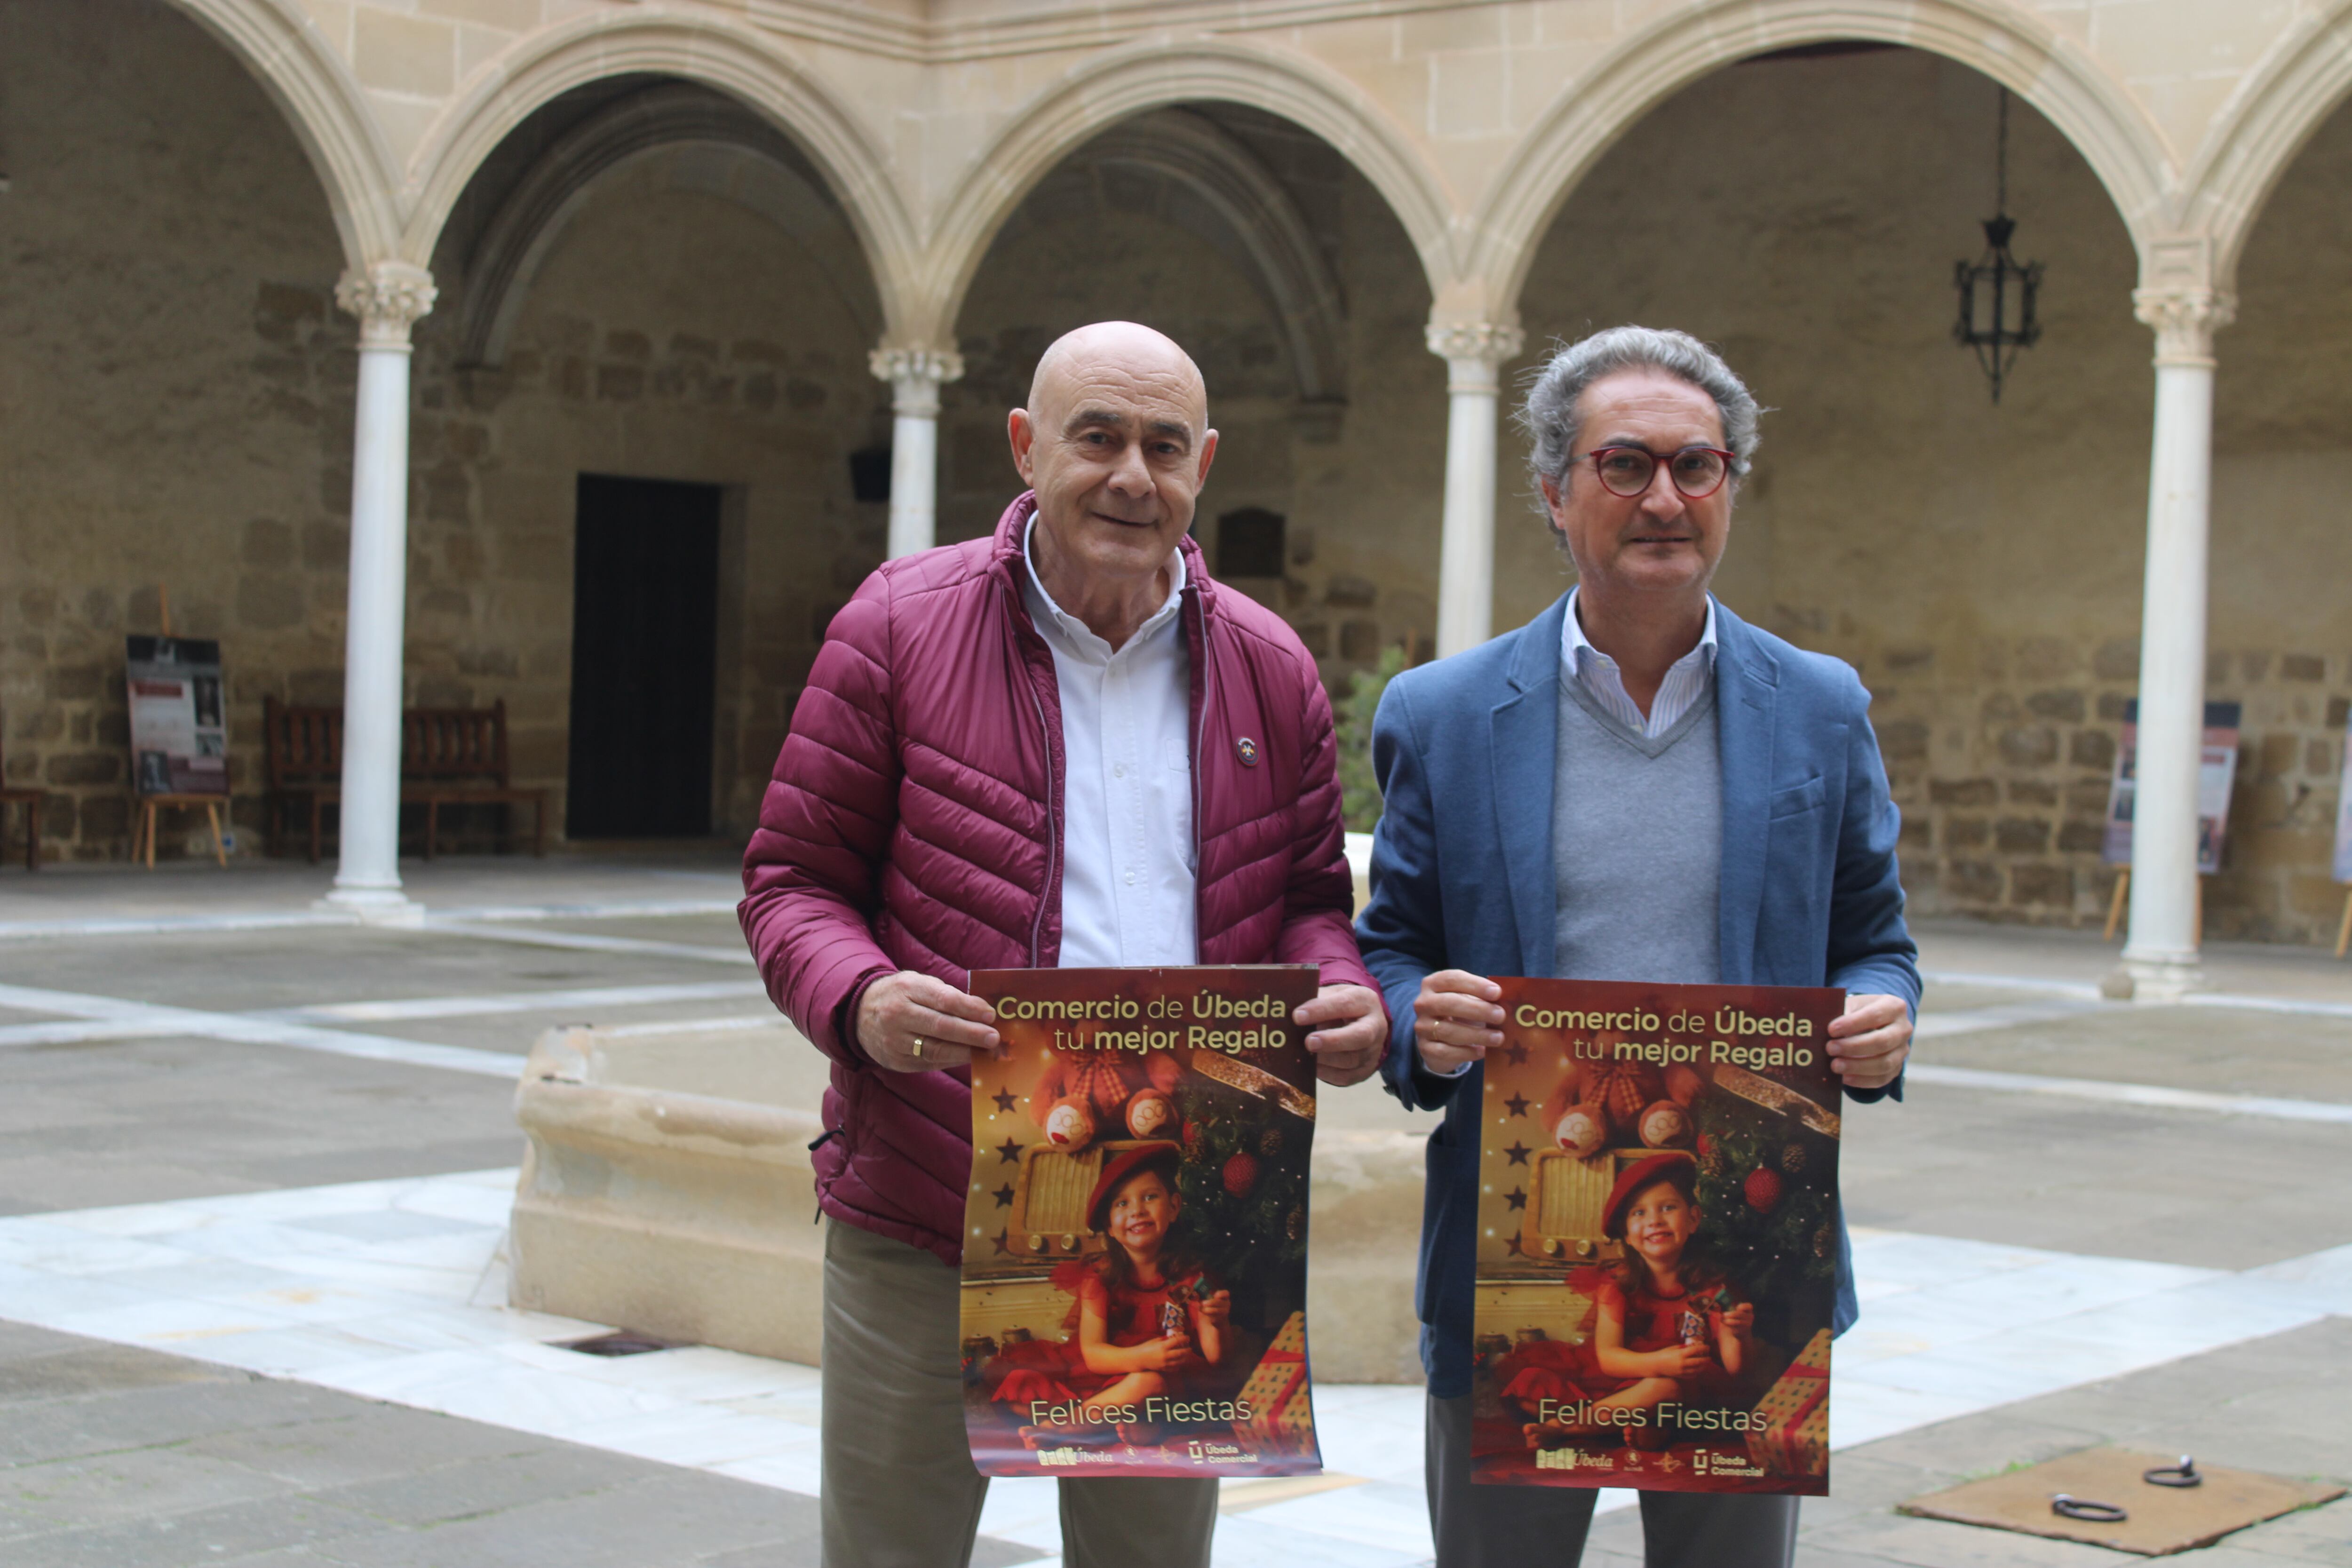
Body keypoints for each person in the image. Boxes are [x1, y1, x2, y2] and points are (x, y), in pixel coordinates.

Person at [740, 320, 1386, 1568]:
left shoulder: (1269, 668)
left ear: (1204, 462)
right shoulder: (898, 627)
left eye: (1161, 446)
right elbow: (791, 880)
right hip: (936, 1201)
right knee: (892, 1552)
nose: (1130, 477)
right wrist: (863, 998)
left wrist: (1346, 988)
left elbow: (1310, 893)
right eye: (1097, 438)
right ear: (1029, 447)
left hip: (1180, 1206)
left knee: (1148, 1558)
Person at [1355, 325, 1920, 1568]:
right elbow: (1391, 950)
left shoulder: (1819, 709)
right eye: (1625, 464)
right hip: (1519, 1251)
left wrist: (1884, 1019)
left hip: (1743, 1250)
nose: (1665, 498)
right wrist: (1418, 1021)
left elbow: (1875, 942)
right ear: (1556, 494)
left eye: (1697, 466)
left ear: (1729, 488)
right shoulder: (1445, 716)